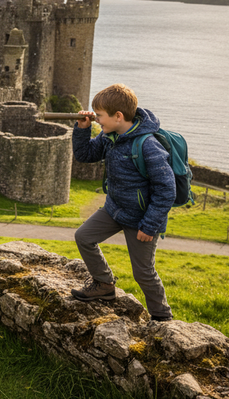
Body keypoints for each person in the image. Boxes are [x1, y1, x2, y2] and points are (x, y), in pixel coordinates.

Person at [70, 83, 175, 322]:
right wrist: (82, 129)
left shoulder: (148, 145)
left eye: (100, 116)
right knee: (84, 237)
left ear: (118, 116)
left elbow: (166, 189)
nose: (97, 120)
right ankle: (104, 285)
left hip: (141, 220)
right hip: (114, 209)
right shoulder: (110, 136)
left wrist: (149, 226)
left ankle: (163, 318)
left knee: (143, 273)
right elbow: (85, 155)